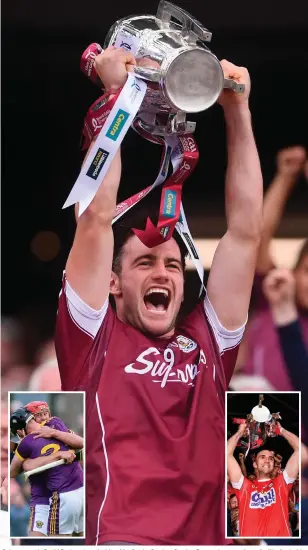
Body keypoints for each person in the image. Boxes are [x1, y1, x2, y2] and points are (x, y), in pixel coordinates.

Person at [55, 47, 263, 544]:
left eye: (173, 265)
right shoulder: (91, 341)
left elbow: (245, 234)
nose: (164, 273)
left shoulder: (209, 343)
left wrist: (238, 111)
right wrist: (115, 99)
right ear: (112, 282)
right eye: (145, 263)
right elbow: (98, 218)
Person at [243, 144, 308, 391]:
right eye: (307, 271)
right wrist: (285, 177)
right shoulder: (273, 295)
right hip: (257, 425)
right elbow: (257, 239)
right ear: (292, 275)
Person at [10, 407, 84, 537]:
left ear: (20, 431)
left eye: (45, 414)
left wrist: (54, 433)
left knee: (56, 541)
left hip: (62, 494)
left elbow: (14, 471)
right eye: (39, 415)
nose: (44, 418)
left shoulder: (52, 427)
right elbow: (26, 466)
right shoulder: (56, 423)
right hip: (65, 493)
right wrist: (58, 454)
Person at [227, 423, 299, 537]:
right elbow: (226, 454)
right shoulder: (243, 486)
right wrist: (240, 433)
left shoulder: (282, 482)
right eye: (262, 457)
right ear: (255, 464)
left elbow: (300, 449)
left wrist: (281, 430)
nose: (267, 460)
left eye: (271, 458)